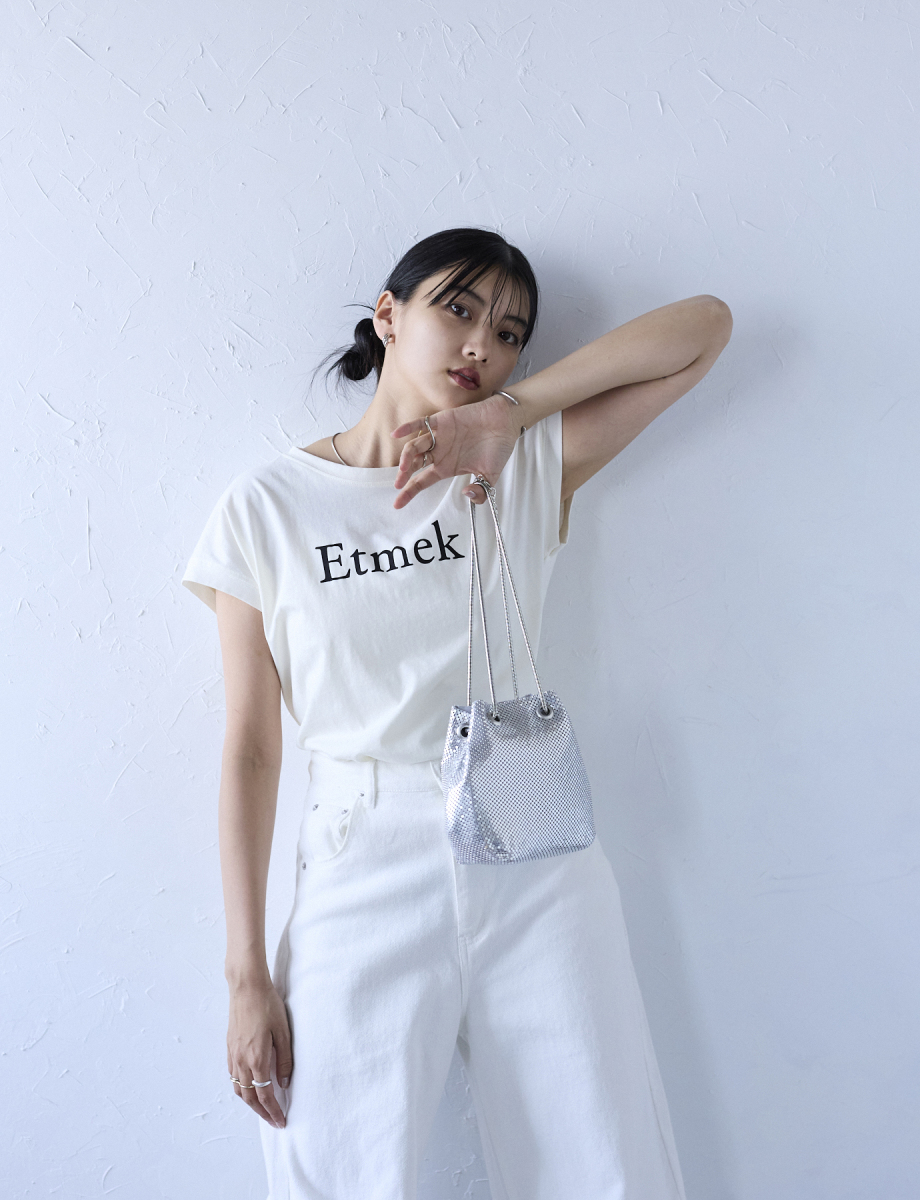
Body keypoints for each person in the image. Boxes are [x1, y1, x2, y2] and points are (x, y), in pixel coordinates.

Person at [182, 226, 732, 1199]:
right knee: (336, 1170)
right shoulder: (266, 508)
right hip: (363, 852)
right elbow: (251, 750)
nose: (483, 343)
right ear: (388, 316)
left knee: (605, 1164)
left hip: (533, 847)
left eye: (511, 332)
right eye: (459, 309)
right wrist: (245, 976)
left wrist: (507, 414)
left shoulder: (522, 463)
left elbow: (703, 329)